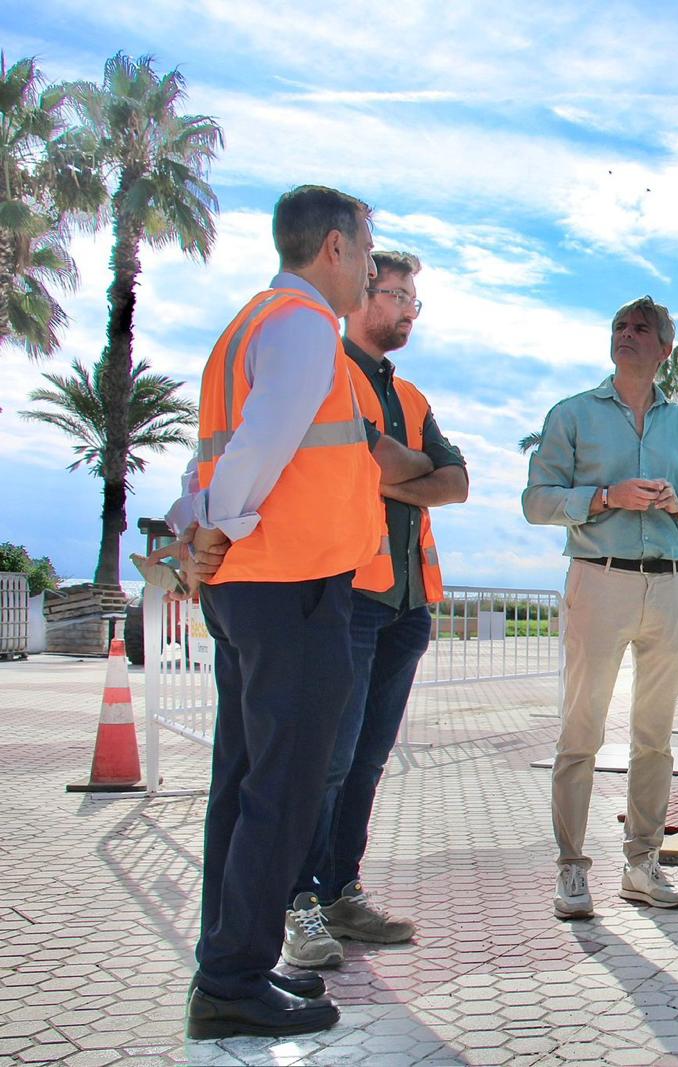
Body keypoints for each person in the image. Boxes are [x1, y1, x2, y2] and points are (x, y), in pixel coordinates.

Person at [168, 185, 387, 1039]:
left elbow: (214, 452)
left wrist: (200, 528)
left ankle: (232, 965)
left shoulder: (246, 323)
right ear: (333, 247)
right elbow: (260, 443)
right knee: (283, 791)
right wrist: (217, 526)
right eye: (367, 249)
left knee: (245, 782)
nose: (371, 266)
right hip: (289, 586)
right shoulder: (301, 327)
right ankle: (231, 980)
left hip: (253, 588)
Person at [281, 250, 470, 970]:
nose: (406, 312)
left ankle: (341, 892)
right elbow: (377, 465)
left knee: (366, 759)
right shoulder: (327, 376)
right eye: (397, 296)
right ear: (362, 293)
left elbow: (454, 482)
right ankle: (297, 900)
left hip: (407, 603)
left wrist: (404, 466)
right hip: (348, 594)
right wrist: (404, 466)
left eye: (413, 302)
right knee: (325, 759)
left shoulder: (412, 396)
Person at [523, 296, 678, 919]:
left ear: (665, 348)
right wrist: (605, 496)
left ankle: (642, 864)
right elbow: (536, 501)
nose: (627, 335)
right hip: (599, 581)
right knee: (581, 730)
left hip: (670, 585)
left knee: (654, 738)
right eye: (619, 326)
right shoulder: (574, 415)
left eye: (641, 329)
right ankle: (571, 869)